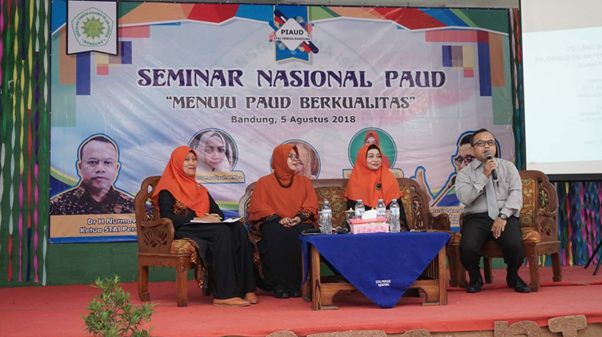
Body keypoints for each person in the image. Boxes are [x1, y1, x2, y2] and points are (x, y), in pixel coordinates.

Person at [152, 146, 256, 306]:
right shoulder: (168, 188)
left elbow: (218, 213)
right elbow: (167, 218)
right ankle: (223, 295)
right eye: (186, 160)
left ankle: (247, 289)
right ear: (177, 163)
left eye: (193, 159)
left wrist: (213, 217)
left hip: (203, 227)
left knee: (238, 229)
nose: (192, 163)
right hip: (182, 228)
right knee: (222, 233)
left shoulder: (199, 188)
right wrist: (198, 218)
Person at [456, 128, 529, 293]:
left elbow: (516, 194)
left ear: (495, 147)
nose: (486, 147)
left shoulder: (508, 167)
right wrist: (484, 176)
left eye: (490, 143)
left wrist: (503, 216)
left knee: (514, 245)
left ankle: (513, 276)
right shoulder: (464, 174)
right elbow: (465, 198)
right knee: (467, 247)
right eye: (481, 144)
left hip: (504, 215)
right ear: (473, 149)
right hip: (477, 217)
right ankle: (475, 278)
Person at [248, 144, 318, 299]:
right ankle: (278, 285)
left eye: (296, 157)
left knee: (298, 233)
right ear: (279, 159)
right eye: (290, 156)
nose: (294, 160)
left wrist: (298, 218)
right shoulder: (264, 182)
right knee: (275, 233)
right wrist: (279, 219)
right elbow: (259, 206)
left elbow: (311, 204)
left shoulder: (304, 182)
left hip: (298, 221)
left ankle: (296, 285)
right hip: (273, 222)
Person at [50, 135, 134, 215]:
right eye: (93, 162)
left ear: (117, 168)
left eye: (107, 162)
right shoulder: (57, 206)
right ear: (80, 167)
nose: (100, 169)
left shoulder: (133, 206)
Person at [345, 144, 408, 230]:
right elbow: (353, 213)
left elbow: (396, 207)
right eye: (371, 156)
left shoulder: (390, 178)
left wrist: (389, 214)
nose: (376, 160)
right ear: (362, 159)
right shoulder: (355, 181)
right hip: (363, 228)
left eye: (379, 156)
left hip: (388, 227)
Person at [431, 132, 475, 207]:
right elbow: (434, 210)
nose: (461, 166)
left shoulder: (493, 190)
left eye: (469, 159)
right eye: (459, 159)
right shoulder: (455, 194)